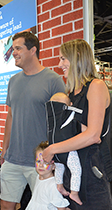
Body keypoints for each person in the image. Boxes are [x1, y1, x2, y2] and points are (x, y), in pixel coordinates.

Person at [42, 39, 112, 209]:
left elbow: (93, 135)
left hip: (93, 173)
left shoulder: (96, 86)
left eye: (63, 59)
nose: (60, 64)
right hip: (72, 174)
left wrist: (52, 149)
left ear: (77, 57)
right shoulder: (70, 95)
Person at [0, 31, 66, 210]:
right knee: (6, 205)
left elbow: (63, 122)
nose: (13, 52)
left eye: (18, 48)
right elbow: (11, 116)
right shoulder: (13, 81)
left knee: (44, 206)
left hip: (41, 160)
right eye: (13, 49)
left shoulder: (53, 80)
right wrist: (4, 148)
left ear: (33, 50)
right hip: (13, 158)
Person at [49, 92, 83, 205]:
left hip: (54, 149)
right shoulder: (70, 113)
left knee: (59, 167)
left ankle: (59, 186)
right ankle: (74, 192)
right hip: (66, 149)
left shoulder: (51, 116)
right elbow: (81, 115)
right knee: (76, 170)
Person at [25, 141, 69, 210]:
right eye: (38, 161)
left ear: (54, 166)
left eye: (45, 162)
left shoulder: (53, 184)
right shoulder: (38, 177)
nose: (41, 165)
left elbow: (61, 207)